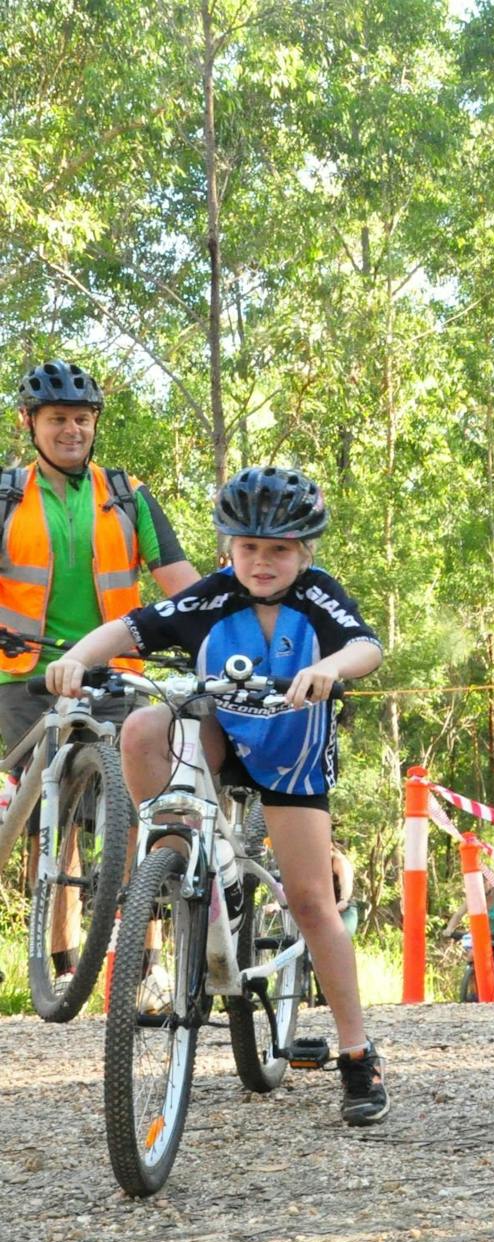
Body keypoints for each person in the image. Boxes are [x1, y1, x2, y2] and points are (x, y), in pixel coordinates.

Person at [45, 466, 390, 1125]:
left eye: (279, 550)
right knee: (146, 724)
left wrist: (326, 669)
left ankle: (356, 1053)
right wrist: (77, 659)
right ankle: (178, 861)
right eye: (249, 548)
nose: (262, 562)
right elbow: (133, 627)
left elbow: (366, 647)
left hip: (292, 752)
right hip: (223, 732)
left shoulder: (318, 596)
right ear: (228, 548)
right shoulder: (213, 597)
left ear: (305, 552)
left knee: (313, 903)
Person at [4, 359, 200, 998]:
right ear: (29, 423)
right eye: (57, 419)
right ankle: (60, 958)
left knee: (133, 811)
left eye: (81, 420)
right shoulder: (7, 495)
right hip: (24, 672)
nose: (71, 431)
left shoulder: (125, 493)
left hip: (115, 671)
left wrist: (218, 638)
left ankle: (142, 963)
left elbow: (179, 582)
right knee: (41, 821)